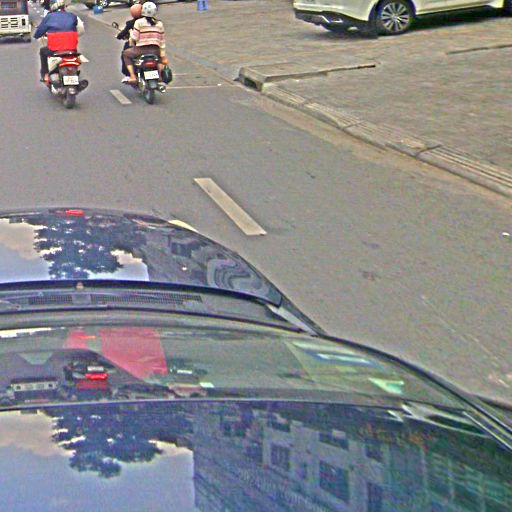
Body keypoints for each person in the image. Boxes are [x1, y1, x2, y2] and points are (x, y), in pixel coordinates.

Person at [34, 0, 84, 82]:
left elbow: (39, 32)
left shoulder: (49, 17)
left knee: (43, 51)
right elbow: (80, 29)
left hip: (55, 49)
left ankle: (45, 75)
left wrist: (37, 36)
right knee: (74, 54)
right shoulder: (72, 16)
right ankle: (74, 73)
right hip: (72, 49)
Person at [122, 1, 168, 85]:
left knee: (126, 54)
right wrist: (163, 55)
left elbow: (135, 38)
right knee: (160, 59)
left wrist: (131, 33)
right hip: (155, 50)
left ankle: (132, 76)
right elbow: (162, 41)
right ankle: (160, 77)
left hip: (141, 50)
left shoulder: (139, 22)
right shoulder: (159, 24)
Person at [116, 2, 143, 77]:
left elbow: (123, 33)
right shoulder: (152, 22)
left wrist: (119, 36)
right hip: (152, 46)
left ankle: (130, 75)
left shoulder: (131, 23)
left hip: (138, 47)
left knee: (125, 54)